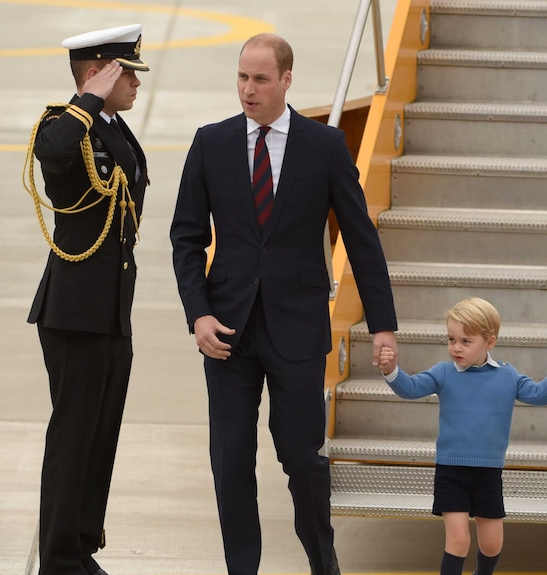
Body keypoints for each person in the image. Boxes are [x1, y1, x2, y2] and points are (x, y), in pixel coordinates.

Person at [169, 33, 398, 575]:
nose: (248, 90)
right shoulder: (211, 143)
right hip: (226, 329)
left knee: (301, 458)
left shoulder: (325, 146)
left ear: (287, 80)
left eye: (261, 79)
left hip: (296, 329)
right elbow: (186, 238)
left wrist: (382, 325)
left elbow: (361, 238)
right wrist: (198, 313)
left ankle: (324, 563)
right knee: (230, 462)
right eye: (243, 77)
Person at [24, 24, 150, 575]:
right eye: (128, 73)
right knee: (74, 433)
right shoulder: (65, 123)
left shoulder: (114, 129)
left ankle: (80, 544)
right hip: (74, 310)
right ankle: (56, 556)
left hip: (110, 309)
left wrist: (99, 103)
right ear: (102, 69)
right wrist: (87, 97)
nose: (137, 85)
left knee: (101, 434)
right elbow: (50, 155)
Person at [377, 297, 547, 575]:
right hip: (451, 472)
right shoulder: (444, 372)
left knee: (493, 543)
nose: (456, 347)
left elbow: (540, 395)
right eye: (451, 339)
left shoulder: (508, 376)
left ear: (490, 342)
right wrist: (390, 370)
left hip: (488, 474)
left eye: (465, 341)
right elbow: (410, 388)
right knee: (458, 541)